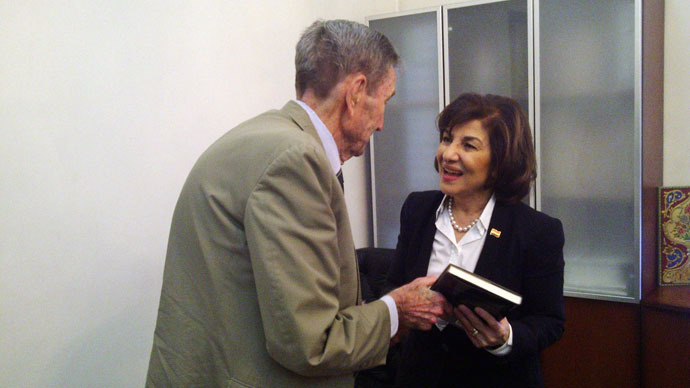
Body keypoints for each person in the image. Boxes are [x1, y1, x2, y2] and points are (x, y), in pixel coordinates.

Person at [145, 19, 448, 388]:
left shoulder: (261, 136)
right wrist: (397, 311)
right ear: (356, 92)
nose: (383, 123)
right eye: (385, 101)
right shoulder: (295, 161)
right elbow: (311, 342)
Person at [387, 93, 565, 388]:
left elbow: (550, 322)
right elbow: (393, 283)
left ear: (499, 162)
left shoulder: (538, 231)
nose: (448, 154)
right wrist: (406, 307)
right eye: (447, 139)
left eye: (468, 145)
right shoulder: (417, 209)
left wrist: (505, 338)